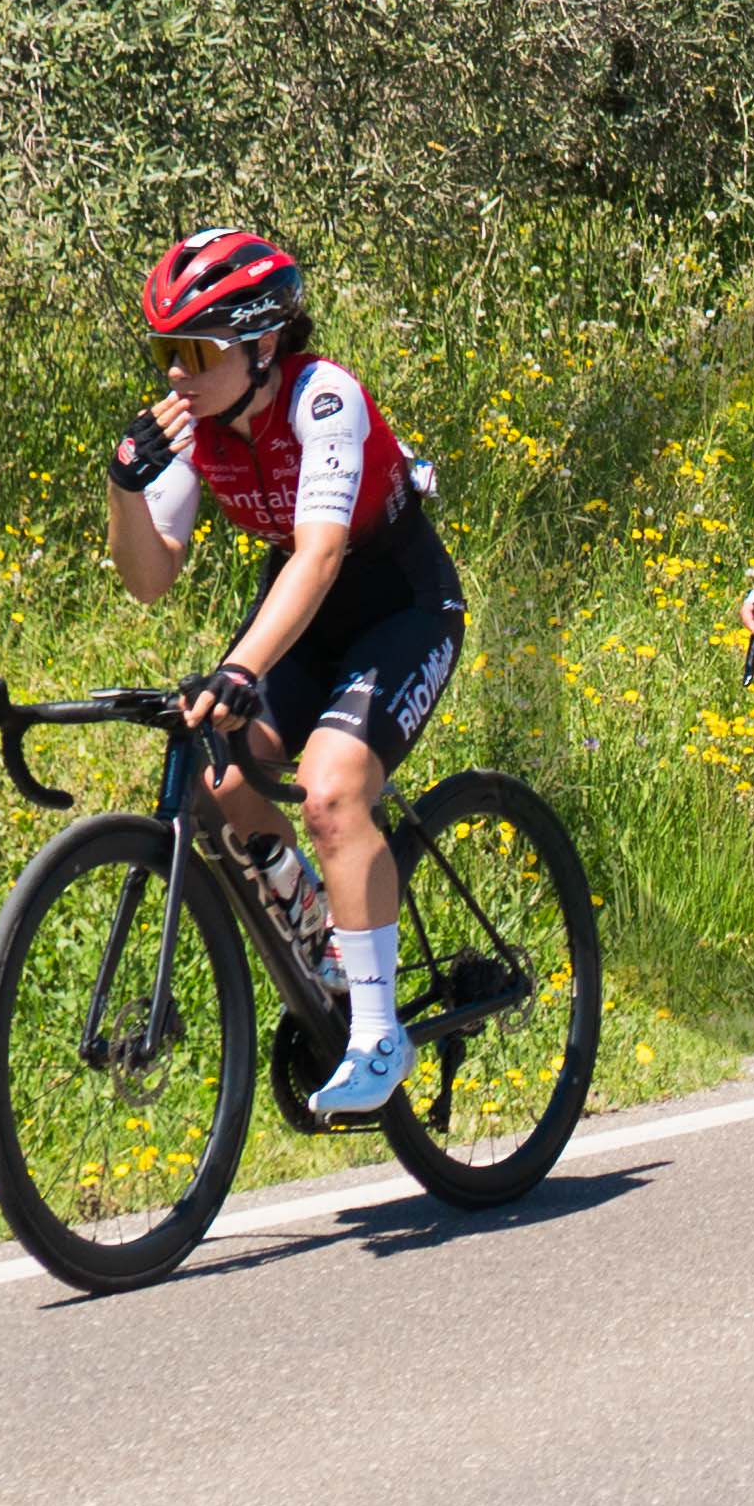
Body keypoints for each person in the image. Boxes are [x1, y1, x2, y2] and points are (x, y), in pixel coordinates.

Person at [83, 222, 474, 1112]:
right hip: (302, 619)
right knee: (217, 780)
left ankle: (379, 1033)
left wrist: (240, 668)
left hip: (399, 604)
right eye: (163, 351)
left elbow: (322, 553)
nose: (174, 375)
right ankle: (319, 932)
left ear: (263, 344)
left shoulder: (322, 397)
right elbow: (149, 578)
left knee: (333, 790)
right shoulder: (198, 429)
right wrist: (124, 487)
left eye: (195, 351)